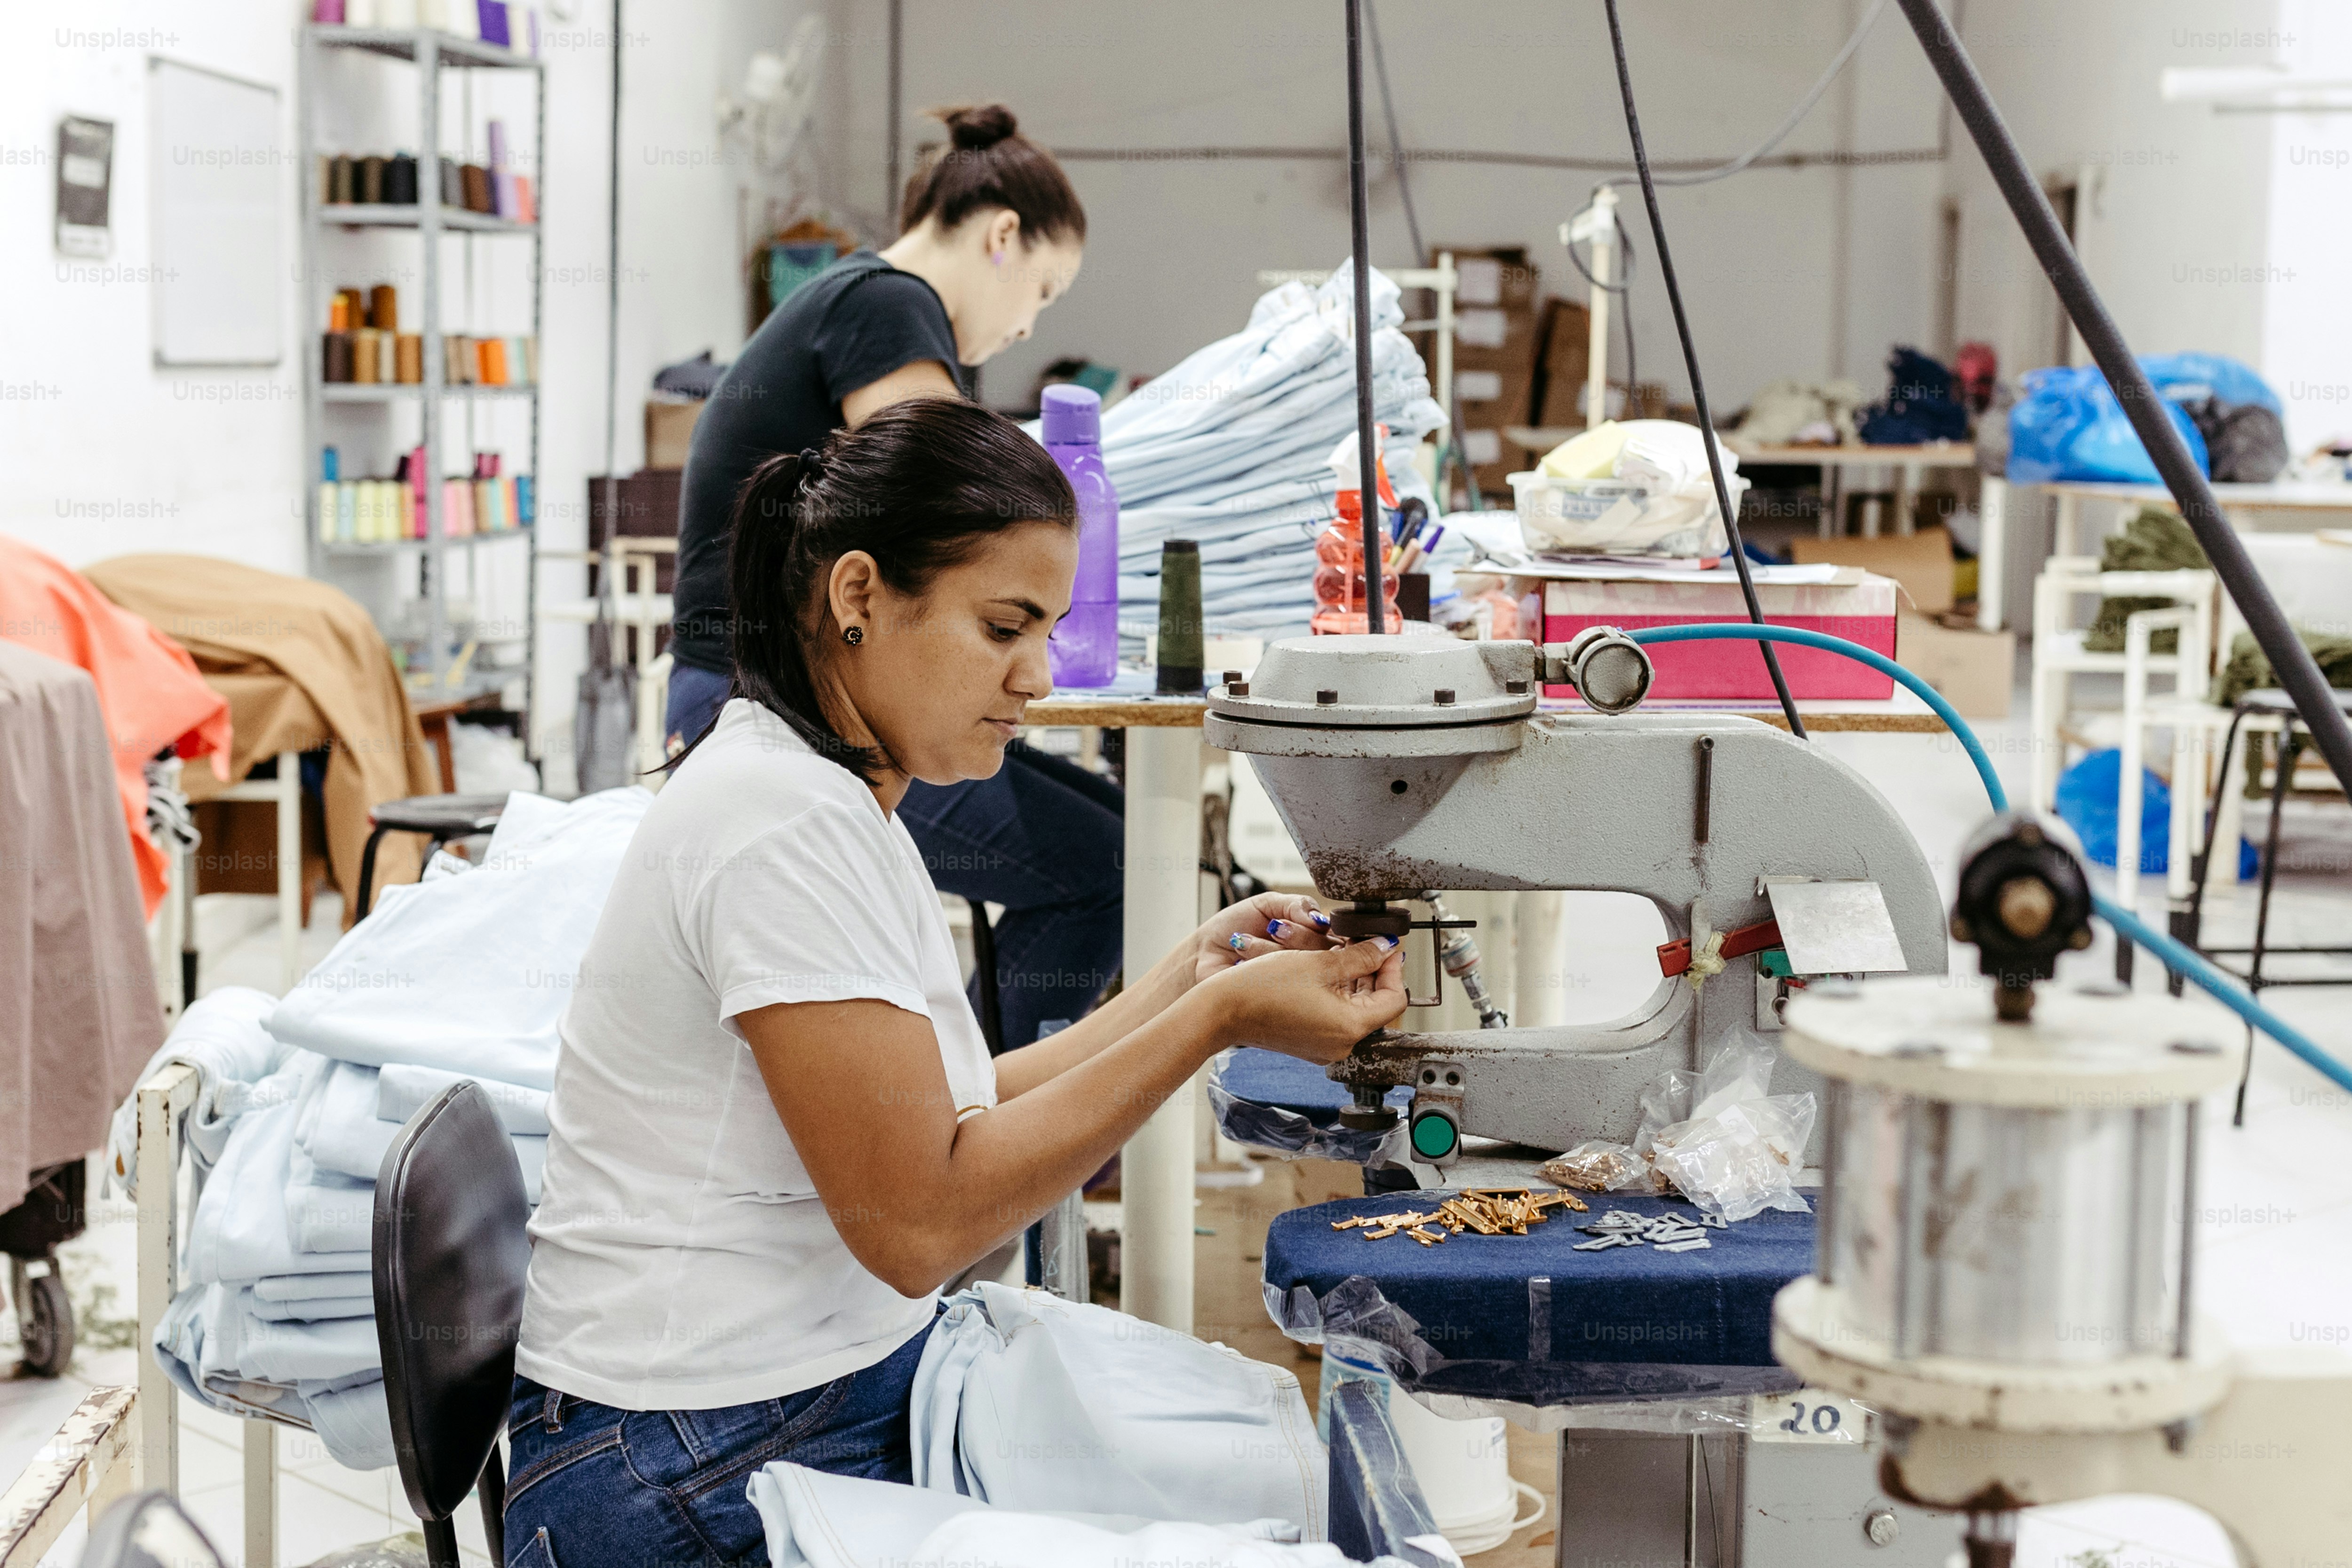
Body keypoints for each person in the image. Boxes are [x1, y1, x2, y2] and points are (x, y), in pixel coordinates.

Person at [507, 400, 1405, 1566]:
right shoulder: (777, 826)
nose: (1037, 676)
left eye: (1046, 629)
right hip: (677, 1465)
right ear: (859, 595)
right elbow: (920, 1223)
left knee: (1274, 1474)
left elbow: (955, 1100)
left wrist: (1192, 970)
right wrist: (1215, 1020)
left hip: (774, 1402)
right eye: (1002, 627)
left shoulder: (829, 795)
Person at [667, 102, 1109, 1053]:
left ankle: (990, 1109)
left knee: (1119, 838)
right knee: (1106, 868)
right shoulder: (887, 303)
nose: (1030, 322)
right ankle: (995, 1145)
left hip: (772, 687)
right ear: (1001, 236)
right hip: (757, 700)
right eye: (1044, 287)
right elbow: (952, 504)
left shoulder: (863, 301)